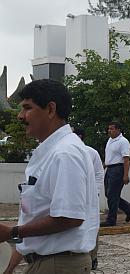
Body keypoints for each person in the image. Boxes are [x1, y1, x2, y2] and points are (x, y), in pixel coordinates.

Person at [0, 79, 99, 273]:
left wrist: (12, 232)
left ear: (51, 109)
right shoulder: (50, 151)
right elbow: (36, 216)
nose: (21, 116)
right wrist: (9, 267)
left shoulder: (65, 154)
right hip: (47, 262)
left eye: (27, 108)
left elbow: (69, 218)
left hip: (57, 264)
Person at [73, 128, 104, 270]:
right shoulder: (64, 152)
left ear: (79, 136)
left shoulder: (91, 152)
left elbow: (99, 172)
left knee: (92, 226)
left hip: (89, 197)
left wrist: (95, 191)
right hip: (73, 196)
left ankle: (93, 257)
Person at [102, 121, 130, 227]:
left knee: (112, 195)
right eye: (109, 129)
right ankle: (128, 208)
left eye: (112, 129)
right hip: (109, 169)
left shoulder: (123, 141)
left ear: (118, 130)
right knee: (109, 194)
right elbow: (109, 157)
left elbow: (126, 159)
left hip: (118, 169)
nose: (110, 131)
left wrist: (125, 175)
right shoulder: (110, 140)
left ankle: (111, 220)